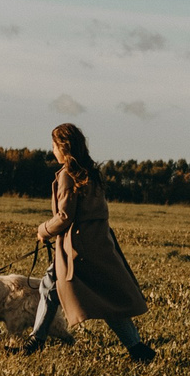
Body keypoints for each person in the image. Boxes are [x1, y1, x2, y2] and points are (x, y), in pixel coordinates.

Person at [34, 122, 153, 362]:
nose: (52, 151)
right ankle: (137, 349)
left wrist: (43, 230)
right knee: (100, 295)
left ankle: (35, 341)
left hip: (76, 249)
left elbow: (65, 216)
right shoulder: (91, 172)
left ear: (63, 146)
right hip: (98, 244)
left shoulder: (68, 175)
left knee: (51, 286)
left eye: (54, 145)